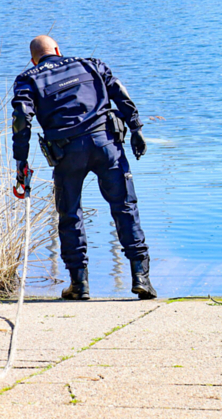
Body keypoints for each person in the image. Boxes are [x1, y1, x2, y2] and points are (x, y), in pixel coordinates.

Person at [12, 36, 157, 301]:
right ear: (57, 50)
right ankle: (141, 278)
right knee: (125, 207)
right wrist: (135, 128)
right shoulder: (90, 64)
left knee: (70, 215)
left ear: (34, 58)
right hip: (106, 145)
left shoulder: (28, 78)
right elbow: (120, 93)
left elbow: (21, 119)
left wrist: (21, 161)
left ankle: (79, 285)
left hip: (67, 153)